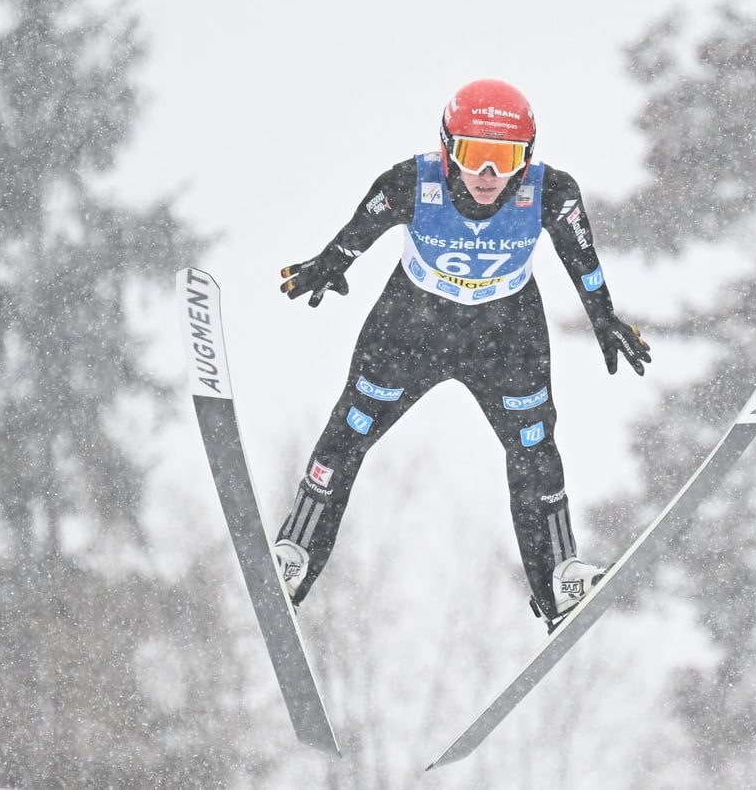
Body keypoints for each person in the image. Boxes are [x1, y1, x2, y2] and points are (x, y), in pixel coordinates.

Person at [274, 79, 650, 630]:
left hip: (507, 337)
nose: (488, 176)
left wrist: (603, 316)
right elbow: (359, 231)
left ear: (528, 158)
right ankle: (295, 555)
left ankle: (558, 581)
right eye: (475, 156)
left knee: (533, 447)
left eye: (505, 158)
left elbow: (582, 257)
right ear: (448, 148)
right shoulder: (412, 180)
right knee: (348, 431)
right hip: (410, 330)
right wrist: (331, 264)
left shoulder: (552, 192)